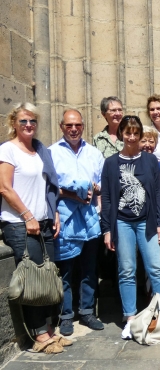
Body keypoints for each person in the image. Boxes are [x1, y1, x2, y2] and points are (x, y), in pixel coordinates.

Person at [0, 103, 70, 354]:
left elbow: (47, 187)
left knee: (48, 276)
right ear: (13, 124)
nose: (28, 125)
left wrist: (55, 212)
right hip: (20, 224)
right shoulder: (8, 150)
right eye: (23, 122)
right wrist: (27, 216)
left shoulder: (39, 150)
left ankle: (50, 329)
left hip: (43, 222)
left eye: (32, 121)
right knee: (33, 279)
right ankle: (39, 335)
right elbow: (5, 188)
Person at [101, 115, 160, 340]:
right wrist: (107, 229)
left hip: (147, 222)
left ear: (141, 134)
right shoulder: (111, 163)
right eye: (127, 132)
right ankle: (130, 318)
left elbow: (158, 194)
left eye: (135, 132)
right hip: (122, 222)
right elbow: (107, 198)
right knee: (127, 270)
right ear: (121, 133)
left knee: (155, 268)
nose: (131, 137)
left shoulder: (150, 161)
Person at [49, 109, 105, 336]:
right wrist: (73, 194)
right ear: (62, 126)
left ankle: (87, 312)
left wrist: (94, 189)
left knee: (89, 269)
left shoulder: (93, 153)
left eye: (78, 125)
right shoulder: (51, 153)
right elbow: (50, 188)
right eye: (69, 125)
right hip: (66, 218)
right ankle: (66, 316)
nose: (74, 129)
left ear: (83, 126)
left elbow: (102, 184)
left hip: (90, 218)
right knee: (66, 270)